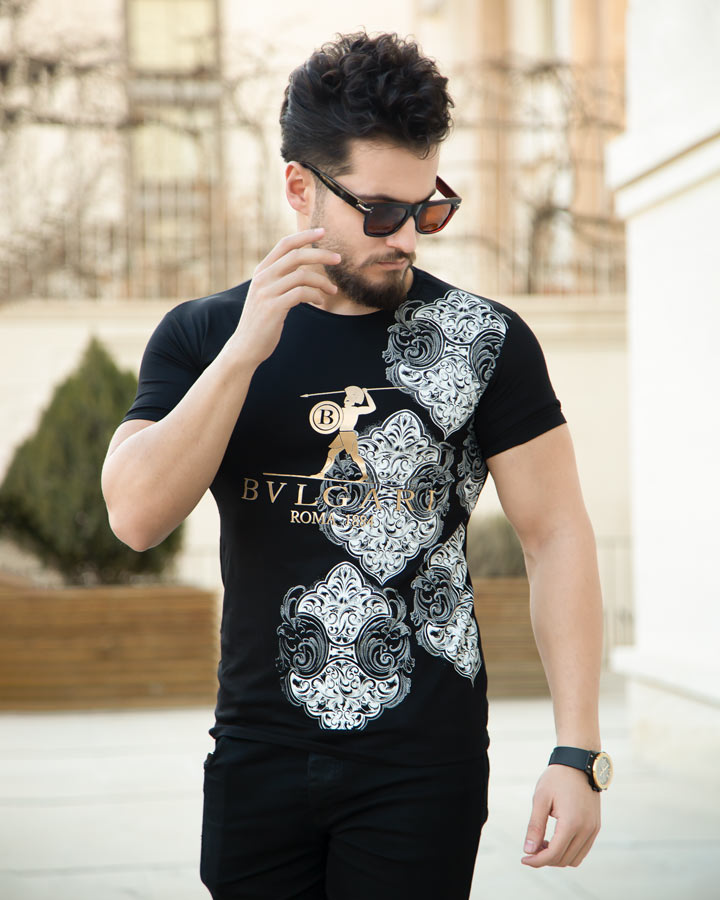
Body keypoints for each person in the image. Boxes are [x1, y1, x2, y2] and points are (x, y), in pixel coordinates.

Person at [102, 31, 610, 900]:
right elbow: (135, 517)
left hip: (425, 761)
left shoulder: (484, 341)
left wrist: (579, 749)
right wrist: (244, 355)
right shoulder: (204, 335)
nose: (406, 236)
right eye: (378, 211)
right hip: (257, 751)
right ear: (300, 188)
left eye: (427, 208)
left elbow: (556, 534)